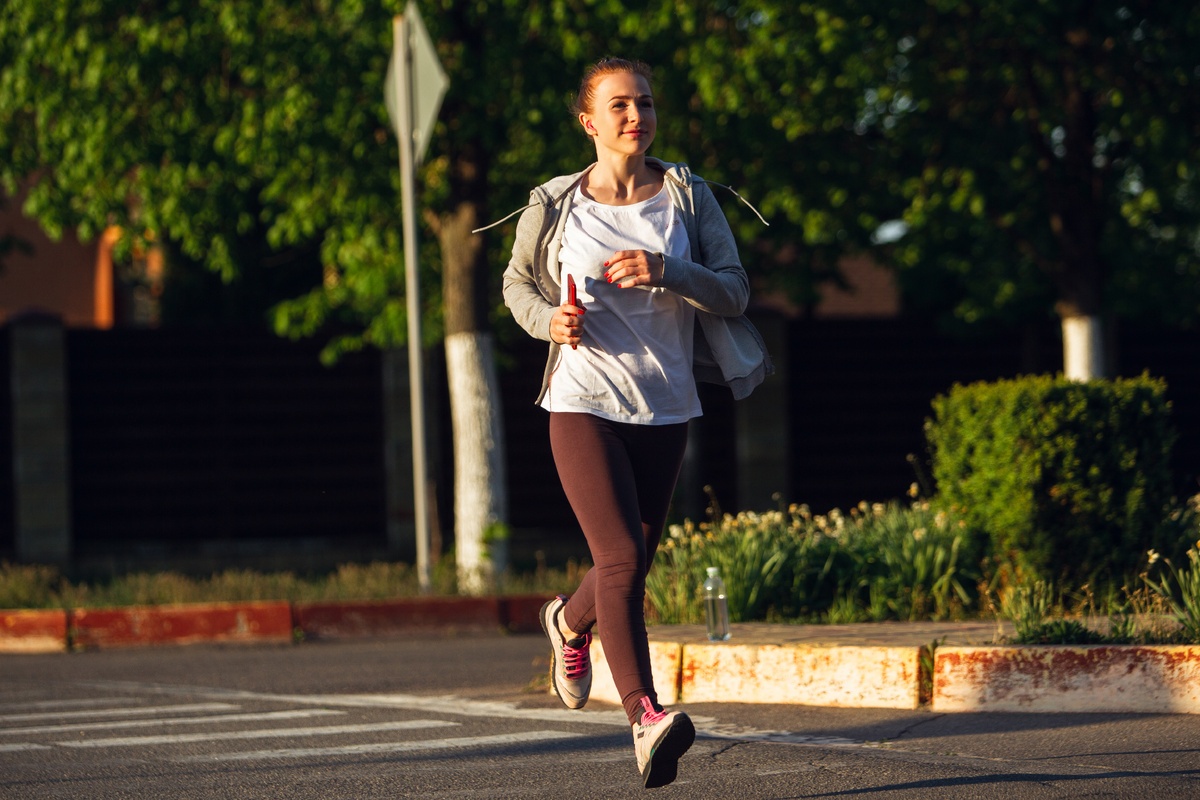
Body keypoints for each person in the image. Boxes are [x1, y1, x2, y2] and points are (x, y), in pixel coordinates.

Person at [493, 56, 771, 789]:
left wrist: (665, 269)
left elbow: (736, 292)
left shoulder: (688, 196)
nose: (635, 116)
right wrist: (548, 322)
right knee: (619, 560)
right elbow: (517, 284)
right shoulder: (554, 203)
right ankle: (646, 719)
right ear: (589, 121)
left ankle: (567, 621)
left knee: (631, 562)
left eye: (644, 103)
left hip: (666, 405)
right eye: (618, 105)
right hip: (582, 402)